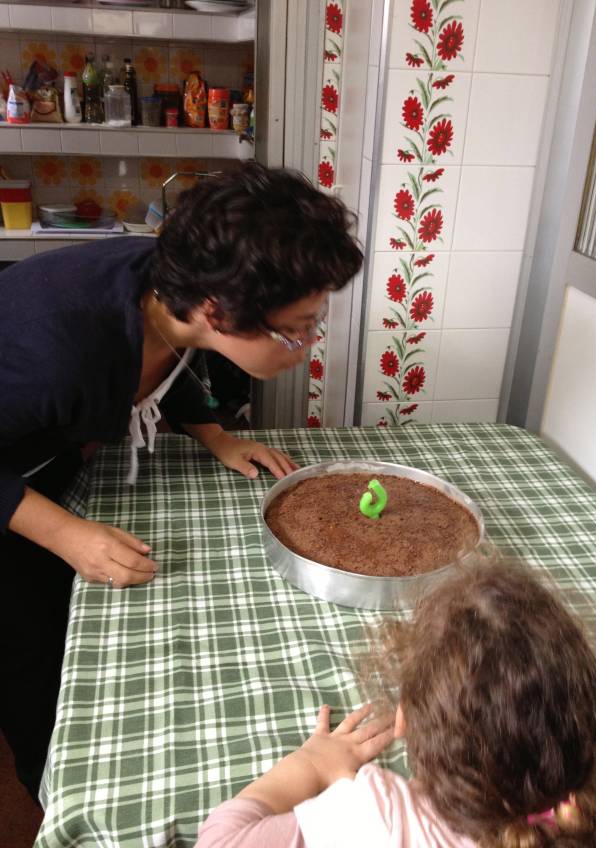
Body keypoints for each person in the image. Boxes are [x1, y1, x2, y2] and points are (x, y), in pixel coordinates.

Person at [0, 163, 363, 803]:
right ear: (219, 311)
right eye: (298, 327)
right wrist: (63, 533)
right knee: (30, 651)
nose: (308, 342)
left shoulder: (177, 291)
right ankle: (48, 787)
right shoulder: (57, 351)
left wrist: (213, 433)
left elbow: (178, 358)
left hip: (44, 447)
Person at [196, 558, 596, 847]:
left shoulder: (379, 817)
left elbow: (218, 841)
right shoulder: (595, 820)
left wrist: (313, 764)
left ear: (404, 719)